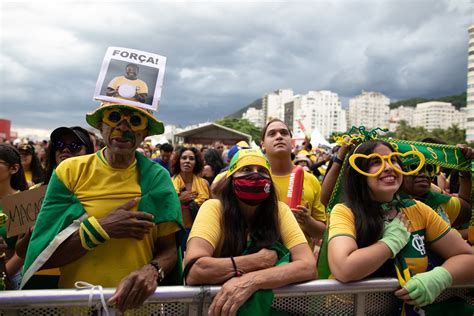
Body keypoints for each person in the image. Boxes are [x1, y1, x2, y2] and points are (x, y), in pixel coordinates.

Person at [22, 102, 184, 312]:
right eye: (114, 117)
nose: (124, 128)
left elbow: (169, 249)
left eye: (135, 121)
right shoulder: (69, 172)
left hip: (136, 307)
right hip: (78, 307)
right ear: (101, 126)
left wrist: (153, 270)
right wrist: (102, 229)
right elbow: (43, 256)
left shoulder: (157, 178)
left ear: (144, 133)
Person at [328, 140, 474, 309]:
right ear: (358, 173)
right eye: (376, 161)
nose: (389, 167)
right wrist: (390, 242)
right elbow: (344, 268)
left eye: (394, 160)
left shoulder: (417, 210)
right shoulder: (345, 212)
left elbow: (469, 258)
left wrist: (440, 277)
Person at [184, 149, 316, 315]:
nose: (255, 176)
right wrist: (257, 261)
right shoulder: (214, 208)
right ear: (231, 179)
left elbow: (308, 266)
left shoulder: (279, 211)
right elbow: (195, 270)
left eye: (262, 171)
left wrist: (252, 280)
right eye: (246, 170)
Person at [261, 119, 326, 249]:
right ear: (263, 145)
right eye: (272, 134)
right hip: (261, 259)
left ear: (291, 143)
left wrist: (307, 221)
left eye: (284, 133)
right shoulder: (254, 178)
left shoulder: (311, 180)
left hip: (300, 262)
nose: (279, 136)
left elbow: (321, 233)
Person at [0, 144, 28, 289]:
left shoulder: (21, 203)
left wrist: (2, 276)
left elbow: (21, 254)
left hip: (9, 280)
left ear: (14, 168)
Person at [171, 147, 209, 252]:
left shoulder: (204, 184)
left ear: (196, 163)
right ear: (178, 161)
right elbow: (162, 208)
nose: (187, 161)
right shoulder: (170, 183)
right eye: (184, 158)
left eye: (191, 158)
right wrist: (178, 201)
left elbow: (212, 207)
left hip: (199, 232)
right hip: (176, 231)